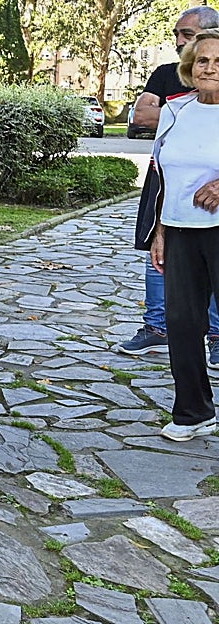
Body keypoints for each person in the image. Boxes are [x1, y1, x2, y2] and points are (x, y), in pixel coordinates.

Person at [123, 6, 219, 361]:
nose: (180, 41)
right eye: (177, 34)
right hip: (167, 184)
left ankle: (217, 334)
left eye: (188, 35)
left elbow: (153, 112)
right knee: (158, 254)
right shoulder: (166, 75)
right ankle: (156, 325)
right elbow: (142, 116)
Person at [149, 30, 219, 441]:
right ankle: (193, 411)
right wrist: (159, 231)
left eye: (218, 61)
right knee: (181, 322)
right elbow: (161, 175)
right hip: (179, 230)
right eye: (202, 60)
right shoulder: (175, 110)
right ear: (189, 67)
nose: (209, 68)